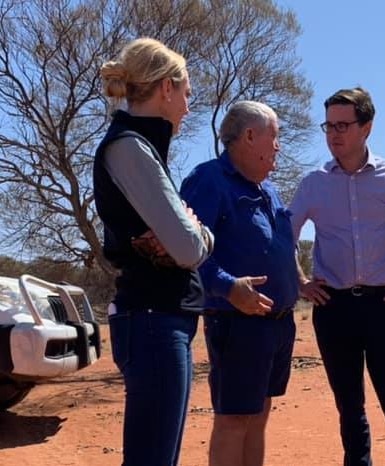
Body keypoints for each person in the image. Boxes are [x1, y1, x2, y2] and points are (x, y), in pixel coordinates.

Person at [289, 87, 385, 466]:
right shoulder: (314, 183)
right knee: (349, 409)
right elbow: (284, 238)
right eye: (328, 126)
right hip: (334, 307)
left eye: (343, 125)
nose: (334, 134)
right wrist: (300, 281)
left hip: (383, 307)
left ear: (367, 128)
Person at [94, 37, 214, 466]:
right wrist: (197, 231)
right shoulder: (130, 146)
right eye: (185, 93)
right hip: (151, 320)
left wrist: (190, 231)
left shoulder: (141, 147)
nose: (187, 104)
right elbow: (187, 246)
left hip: (160, 318)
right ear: (166, 88)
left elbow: (183, 240)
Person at [180, 101, 298, 466]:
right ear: (250, 135)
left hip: (277, 323)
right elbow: (186, 253)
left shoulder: (269, 190)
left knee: (259, 416)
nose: (278, 146)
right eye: (274, 136)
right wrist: (229, 287)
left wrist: (300, 282)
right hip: (236, 323)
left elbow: (279, 247)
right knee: (234, 420)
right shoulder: (209, 181)